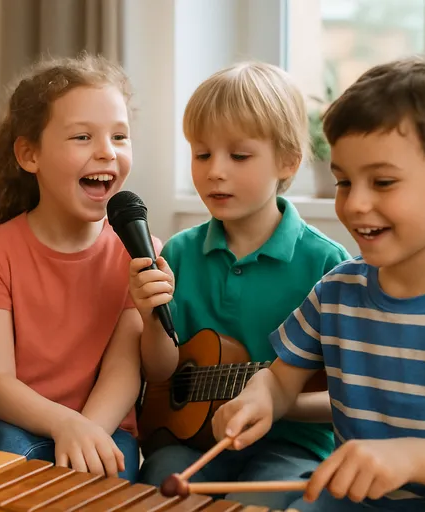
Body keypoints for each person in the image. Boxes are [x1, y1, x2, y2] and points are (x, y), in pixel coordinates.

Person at [213, 53, 425, 512]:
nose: (355, 204)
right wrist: (258, 401)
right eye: (342, 182)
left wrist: (410, 457)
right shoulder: (336, 291)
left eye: (382, 182)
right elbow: (280, 384)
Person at [129, 61, 351, 508]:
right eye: (202, 154)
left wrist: (275, 401)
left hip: (291, 446)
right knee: (155, 480)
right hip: (190, 444)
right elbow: (161, 375)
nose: (215, 171)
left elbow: (343, 399)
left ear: (287, 160)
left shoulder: (328, 264)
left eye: (239, 155)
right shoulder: (178, 252)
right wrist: (150, 316)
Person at [0, 53, 149, 483]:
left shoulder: (140, 250)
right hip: (10, 426)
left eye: (120, 137)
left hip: (103, 423)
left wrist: (88, 431)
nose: (106, 152)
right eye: (82, 137)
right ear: (29, 155)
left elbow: (123, 371)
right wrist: (65, 424)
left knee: (102, 477)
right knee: (11, 470)